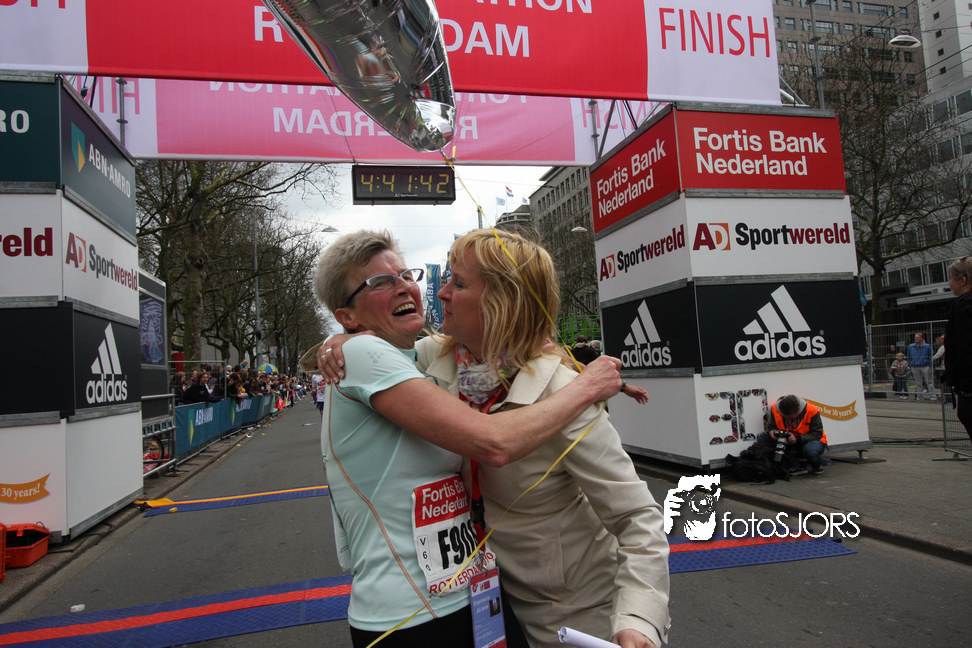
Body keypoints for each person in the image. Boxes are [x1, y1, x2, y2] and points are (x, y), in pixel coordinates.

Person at [315, 229, 670, 648]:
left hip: (576, 617)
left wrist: (637, 620)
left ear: (501, 302)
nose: (440, 293)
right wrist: (340, 341)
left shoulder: (564, 394)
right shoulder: (437, 359)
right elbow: (380, 349)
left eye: (459, 283)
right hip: (491, 607)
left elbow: (637, 518)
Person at [758, 394, 828, 475]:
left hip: (808, 441)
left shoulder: (812, 410)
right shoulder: (774, 409)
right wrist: (772, 432)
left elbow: (817, 434)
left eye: (791, 418)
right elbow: (771, 426)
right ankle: (796, 464)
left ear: (798, 409)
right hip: (787, 441)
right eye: (785, 417)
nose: (789, 420)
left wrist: (797, 439)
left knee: (810, 451)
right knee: (762, 439)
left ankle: (816, 464)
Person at [945, 257, 972, 442]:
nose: (949, 283)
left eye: (951, 278)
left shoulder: (964, 309)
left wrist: (965, 387)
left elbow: (965, 349)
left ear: (962, 280)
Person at [906, 333, 934, 400]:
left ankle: (933, 396)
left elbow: (930, 355)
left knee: (929, 381)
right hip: (914, 366)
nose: (916, 339)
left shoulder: (927, 346)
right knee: (918, 382)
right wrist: (910, 363)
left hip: (925, 366)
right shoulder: (911, 346)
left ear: (922, 338)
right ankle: (919, 396)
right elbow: (909, 356)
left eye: (918, 337)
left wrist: (929, 364)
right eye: (915, 337)